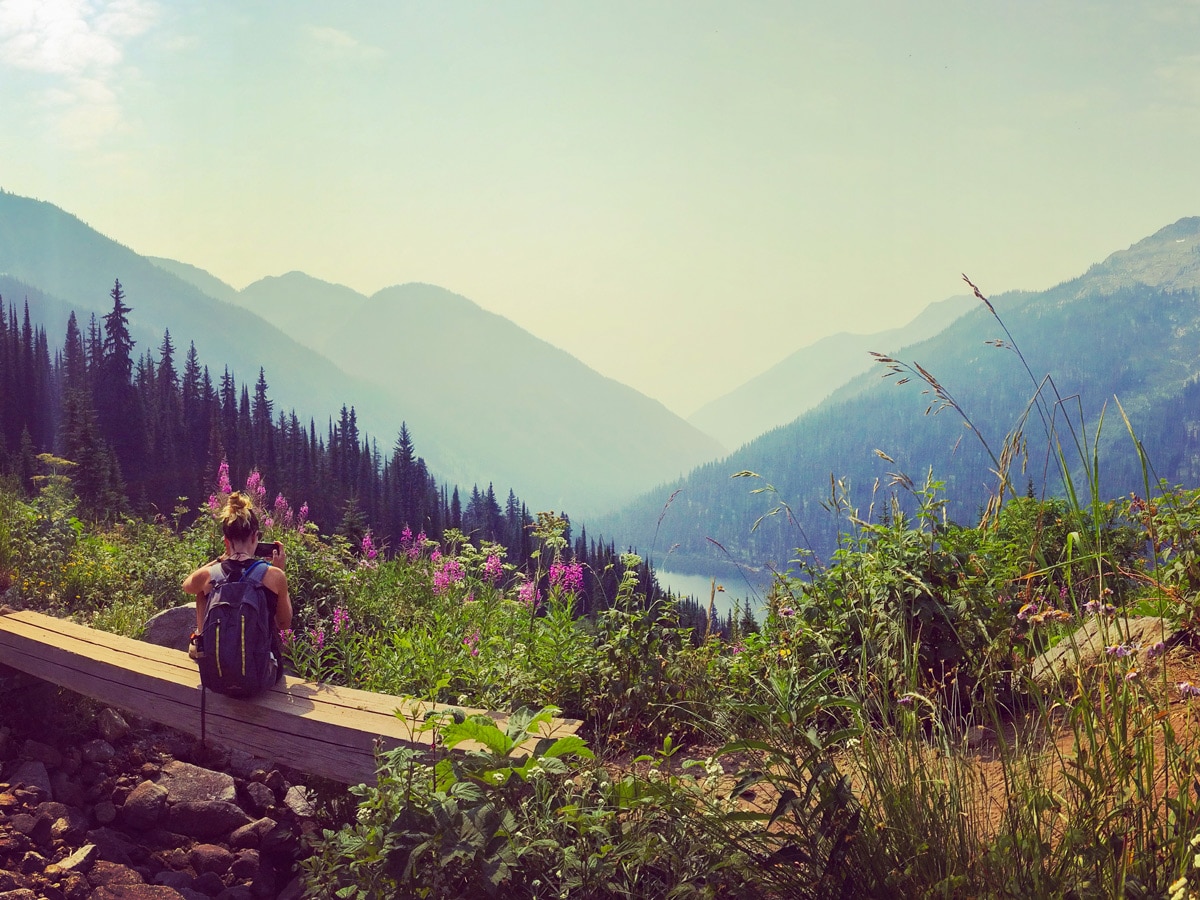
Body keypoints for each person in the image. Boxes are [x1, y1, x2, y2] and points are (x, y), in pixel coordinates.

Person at [182, 491, 293, 672]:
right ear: (254, 537)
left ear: (226, 540)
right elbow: (284, 624)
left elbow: (187, 585)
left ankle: (201, 644)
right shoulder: (275, 575)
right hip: (260, 675)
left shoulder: (209, 575)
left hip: (216, 673)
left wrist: (221, 559)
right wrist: (280, 570)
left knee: (201, 592)